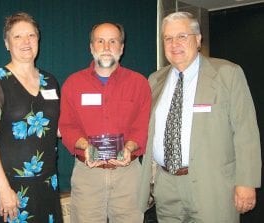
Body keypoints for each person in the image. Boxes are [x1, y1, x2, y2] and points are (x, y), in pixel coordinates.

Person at [139, 11, 262, 223]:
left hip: (212, 185)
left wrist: (247, 182)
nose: (174, 43)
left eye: (182, 36)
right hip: (166, 185)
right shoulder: (155, 80)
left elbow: (246, 131)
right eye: (168, 38)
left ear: (197, 39)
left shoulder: (227, 73)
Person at [0, 12, 63, 223]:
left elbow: (57, 129)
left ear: (38, 39)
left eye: (31, 35)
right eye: (17, 37)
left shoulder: (50, 81)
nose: (26, 42)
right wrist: (4, 190)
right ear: (6, 43)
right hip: (8, 186)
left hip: (46, 184)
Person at [58, 22, 151, 223]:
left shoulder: (139, 83)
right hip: (87, 173)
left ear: (122, 48)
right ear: (92, 47)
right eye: (100, 41)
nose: (106, 47)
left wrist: (129, 147)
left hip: (129, 174)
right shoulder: (73, 84)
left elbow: (142, 126)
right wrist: (85, 146)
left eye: (113, 41)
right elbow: (67, 126)